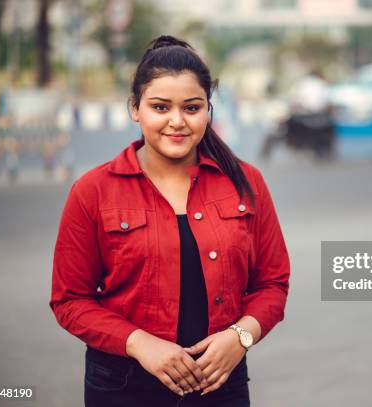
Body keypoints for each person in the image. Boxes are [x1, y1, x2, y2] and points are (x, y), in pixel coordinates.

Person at [49, 35, 290, 406]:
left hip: (220, 383)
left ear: (208, 110)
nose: (176, 122)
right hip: (122, 385)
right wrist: (140, 343)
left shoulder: (245, 182)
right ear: (135, 108)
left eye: (191, 108)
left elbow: (273, 284)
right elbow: (70, 300)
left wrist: (240, 336)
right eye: (160, 108)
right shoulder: (93, 190)